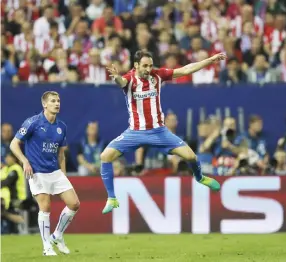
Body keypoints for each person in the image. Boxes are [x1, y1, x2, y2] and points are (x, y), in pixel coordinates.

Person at [101, 50, 226, 214]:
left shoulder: (158, 75)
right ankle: (111, 198)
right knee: (105, 156)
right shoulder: (130, 79)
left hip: (159, 132)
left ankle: (200, 177)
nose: (148, 69)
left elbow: (186, 70)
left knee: (191, 156)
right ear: (136, 65)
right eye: (145, 66)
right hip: (135, 132)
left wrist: (210, 60)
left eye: (150, 65)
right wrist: (116, 77)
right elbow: (121, 82)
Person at [10, 91, 80, 256]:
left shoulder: (61, 126)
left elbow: (61, 154)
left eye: (58, 101)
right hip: (37, 171)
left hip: (55, 171)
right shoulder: (32, 122)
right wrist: (25, 161)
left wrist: (63, 173)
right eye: (53, 101)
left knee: (74, 203)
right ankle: (46, 246)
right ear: (44, 105)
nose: (57, 103)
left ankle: (57, 235)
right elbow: (14, 144)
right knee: (45, 206)